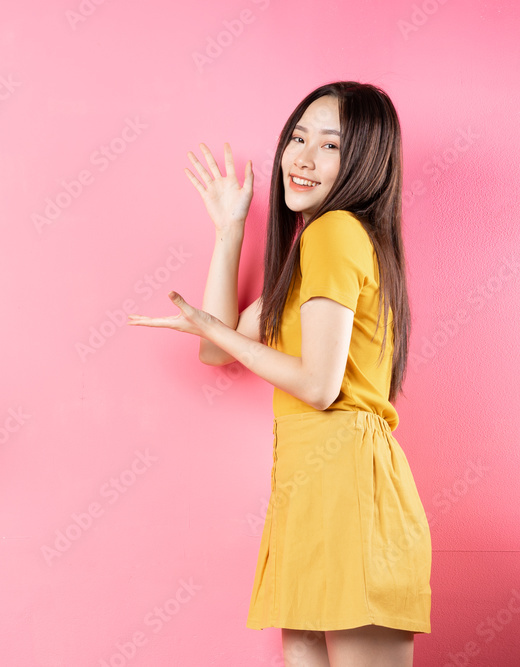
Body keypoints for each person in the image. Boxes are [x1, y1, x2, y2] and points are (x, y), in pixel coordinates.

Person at [129, 82, 431, 666]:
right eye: (298, 137)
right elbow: (219, 349)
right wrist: (229, 230)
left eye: (330, 145)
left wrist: (209, 330)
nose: (303, 157)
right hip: (310, 481)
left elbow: (318, 386)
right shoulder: (310, 252)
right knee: (300, 647)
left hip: (347, 481)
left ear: (366, 161)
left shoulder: (335, 232)